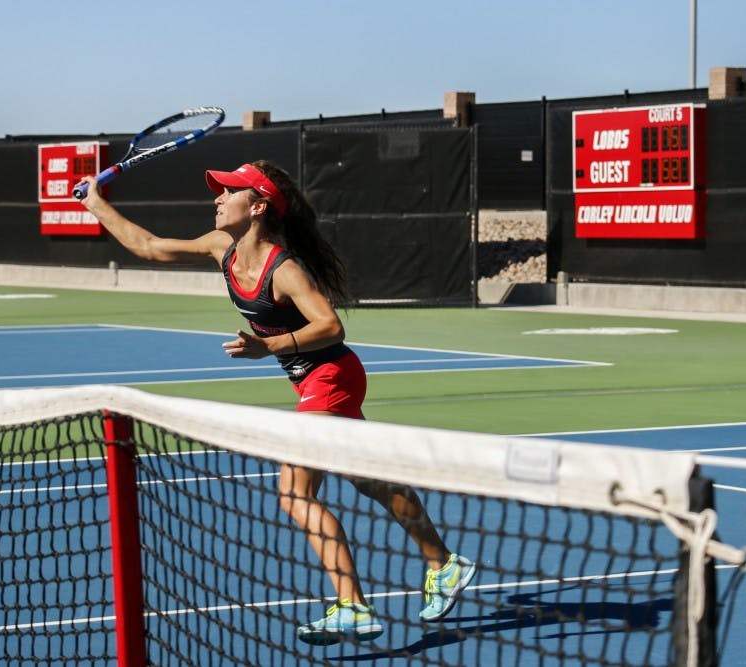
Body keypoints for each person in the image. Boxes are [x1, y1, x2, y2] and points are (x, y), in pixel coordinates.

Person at [77, 161, 476, 645]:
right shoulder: (221, 246)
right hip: (316, 381)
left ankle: (352, 605)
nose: (218, 197)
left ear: (258, 206)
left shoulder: (283, 269)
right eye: (219, 191)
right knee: (371, 482)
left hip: (330, 378)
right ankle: (444, 563)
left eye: (230, 191)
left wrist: (269, 346)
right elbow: (150, 247)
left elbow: (330, 326)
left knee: (295, 494)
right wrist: (96, 203)